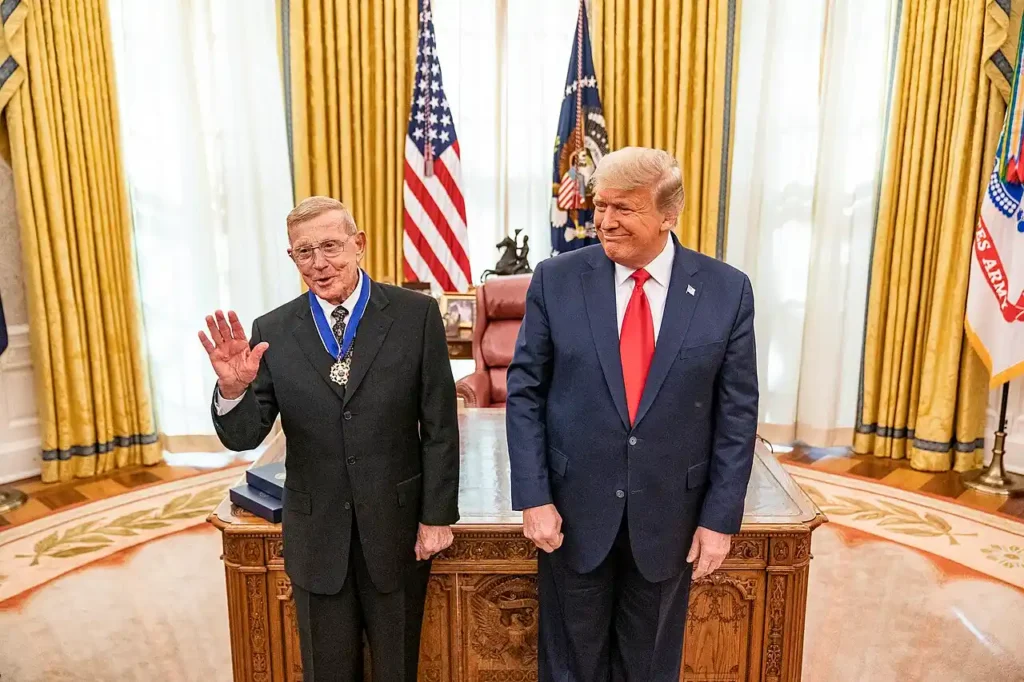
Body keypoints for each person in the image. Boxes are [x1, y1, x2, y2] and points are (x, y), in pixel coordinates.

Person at [506, 147, 758, 681]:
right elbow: (525, 392)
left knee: (648, 667)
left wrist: (718, 519)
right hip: (571, 517)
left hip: (671, 517)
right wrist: (534, 495)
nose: (604, 221)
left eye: (624, 208)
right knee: (569, 665)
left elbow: (737, 414)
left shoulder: (726, 290)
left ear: (669, 215)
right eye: (600, 206)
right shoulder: (556, 279)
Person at [199, 196, 459, 682]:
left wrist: (436, 516)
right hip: (317, 535)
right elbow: (246, 434)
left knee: (396, 668)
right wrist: (233, 389)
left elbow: (440, 428)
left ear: (359, 244)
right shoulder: (271, 330)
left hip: (398, 530)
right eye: (304, 252)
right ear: (292, 257)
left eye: (331, 246)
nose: (320, 263)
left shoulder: (415, 316)